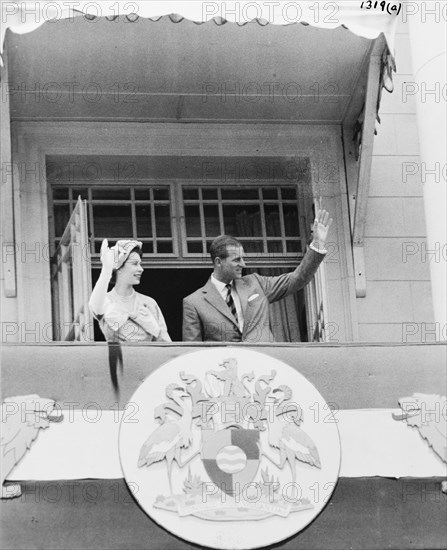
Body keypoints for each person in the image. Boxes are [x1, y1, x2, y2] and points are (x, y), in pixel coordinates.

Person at [182, 201, 332, 343]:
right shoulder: (194, 302)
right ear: (218, 262)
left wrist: (317, 243)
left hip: (263, 365)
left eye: (243, 258)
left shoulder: (256, 283)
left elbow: (298, 279)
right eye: (236, 260)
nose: (243, 264)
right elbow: (192, 352)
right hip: (227, 368)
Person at [89, 239, 171, 342]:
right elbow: (94, 305)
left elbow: (166, 343)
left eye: (140, 264)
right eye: (135, 264)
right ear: (119, 267)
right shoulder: (106, 301)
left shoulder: (149, 303)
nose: (141, 269)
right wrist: (106, 270)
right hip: (119, 357)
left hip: (149, 357)